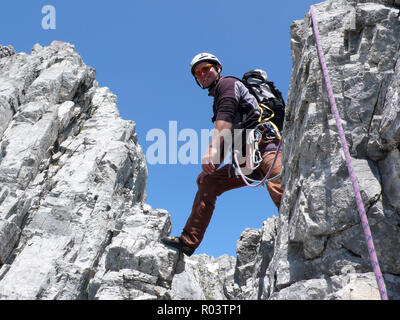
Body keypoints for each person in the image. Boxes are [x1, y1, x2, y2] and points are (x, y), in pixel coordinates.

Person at [162, 53, 283, 256]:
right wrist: (212, 168)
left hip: (266, 147)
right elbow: (227, 137)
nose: (202, 74)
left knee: (281, 187)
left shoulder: (227, 84)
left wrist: (210, 151)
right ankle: (188, 241)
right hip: (247, 160)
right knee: (209, 183)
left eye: (206, 68)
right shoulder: (219, 94)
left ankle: (298, 229)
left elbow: (224, 120)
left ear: (217, 68)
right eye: (197, 73)